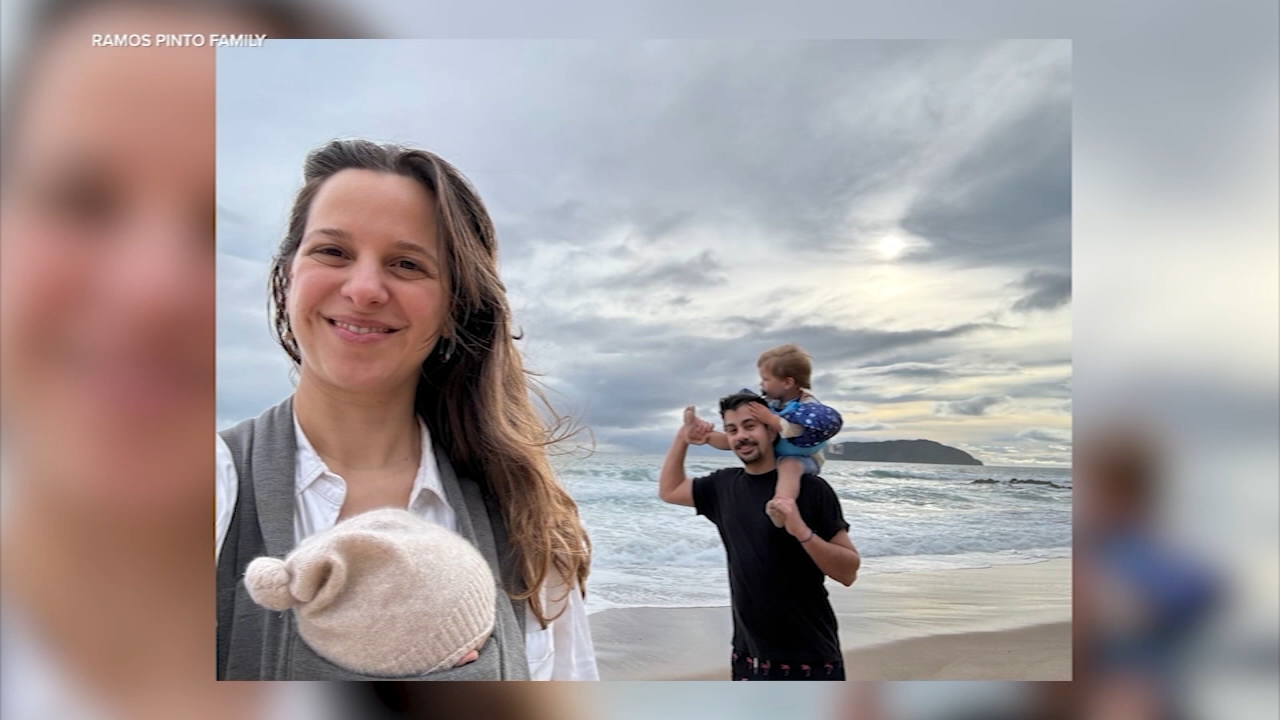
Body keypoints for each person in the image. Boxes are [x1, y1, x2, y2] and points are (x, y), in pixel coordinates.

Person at [214, 138, 597, 680]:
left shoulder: (524, 519)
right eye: (333, 252)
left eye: (407, 264)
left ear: (454, 306)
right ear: (288, 274)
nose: (365, 289)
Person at [658, 391, 861, 680]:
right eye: (732, 430)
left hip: (810, 656)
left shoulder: (812, 489)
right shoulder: (723, 486)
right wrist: (683, 437)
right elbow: (670, 490)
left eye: (749, 426)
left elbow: (848, 572)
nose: (741, 436)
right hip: (748, 655)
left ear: (771, 430)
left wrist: (800, 530)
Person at [697, 344, 843, 527]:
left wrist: (771, 419)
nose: (761, 384)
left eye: (765, 379)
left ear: (787, 382)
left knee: (789, 465)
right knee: (739, 439)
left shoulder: (807, 406)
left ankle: (782, 506)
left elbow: (799, 430)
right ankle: (703, 436)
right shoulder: (773, 403)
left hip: (803, 459)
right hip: (776, 450)